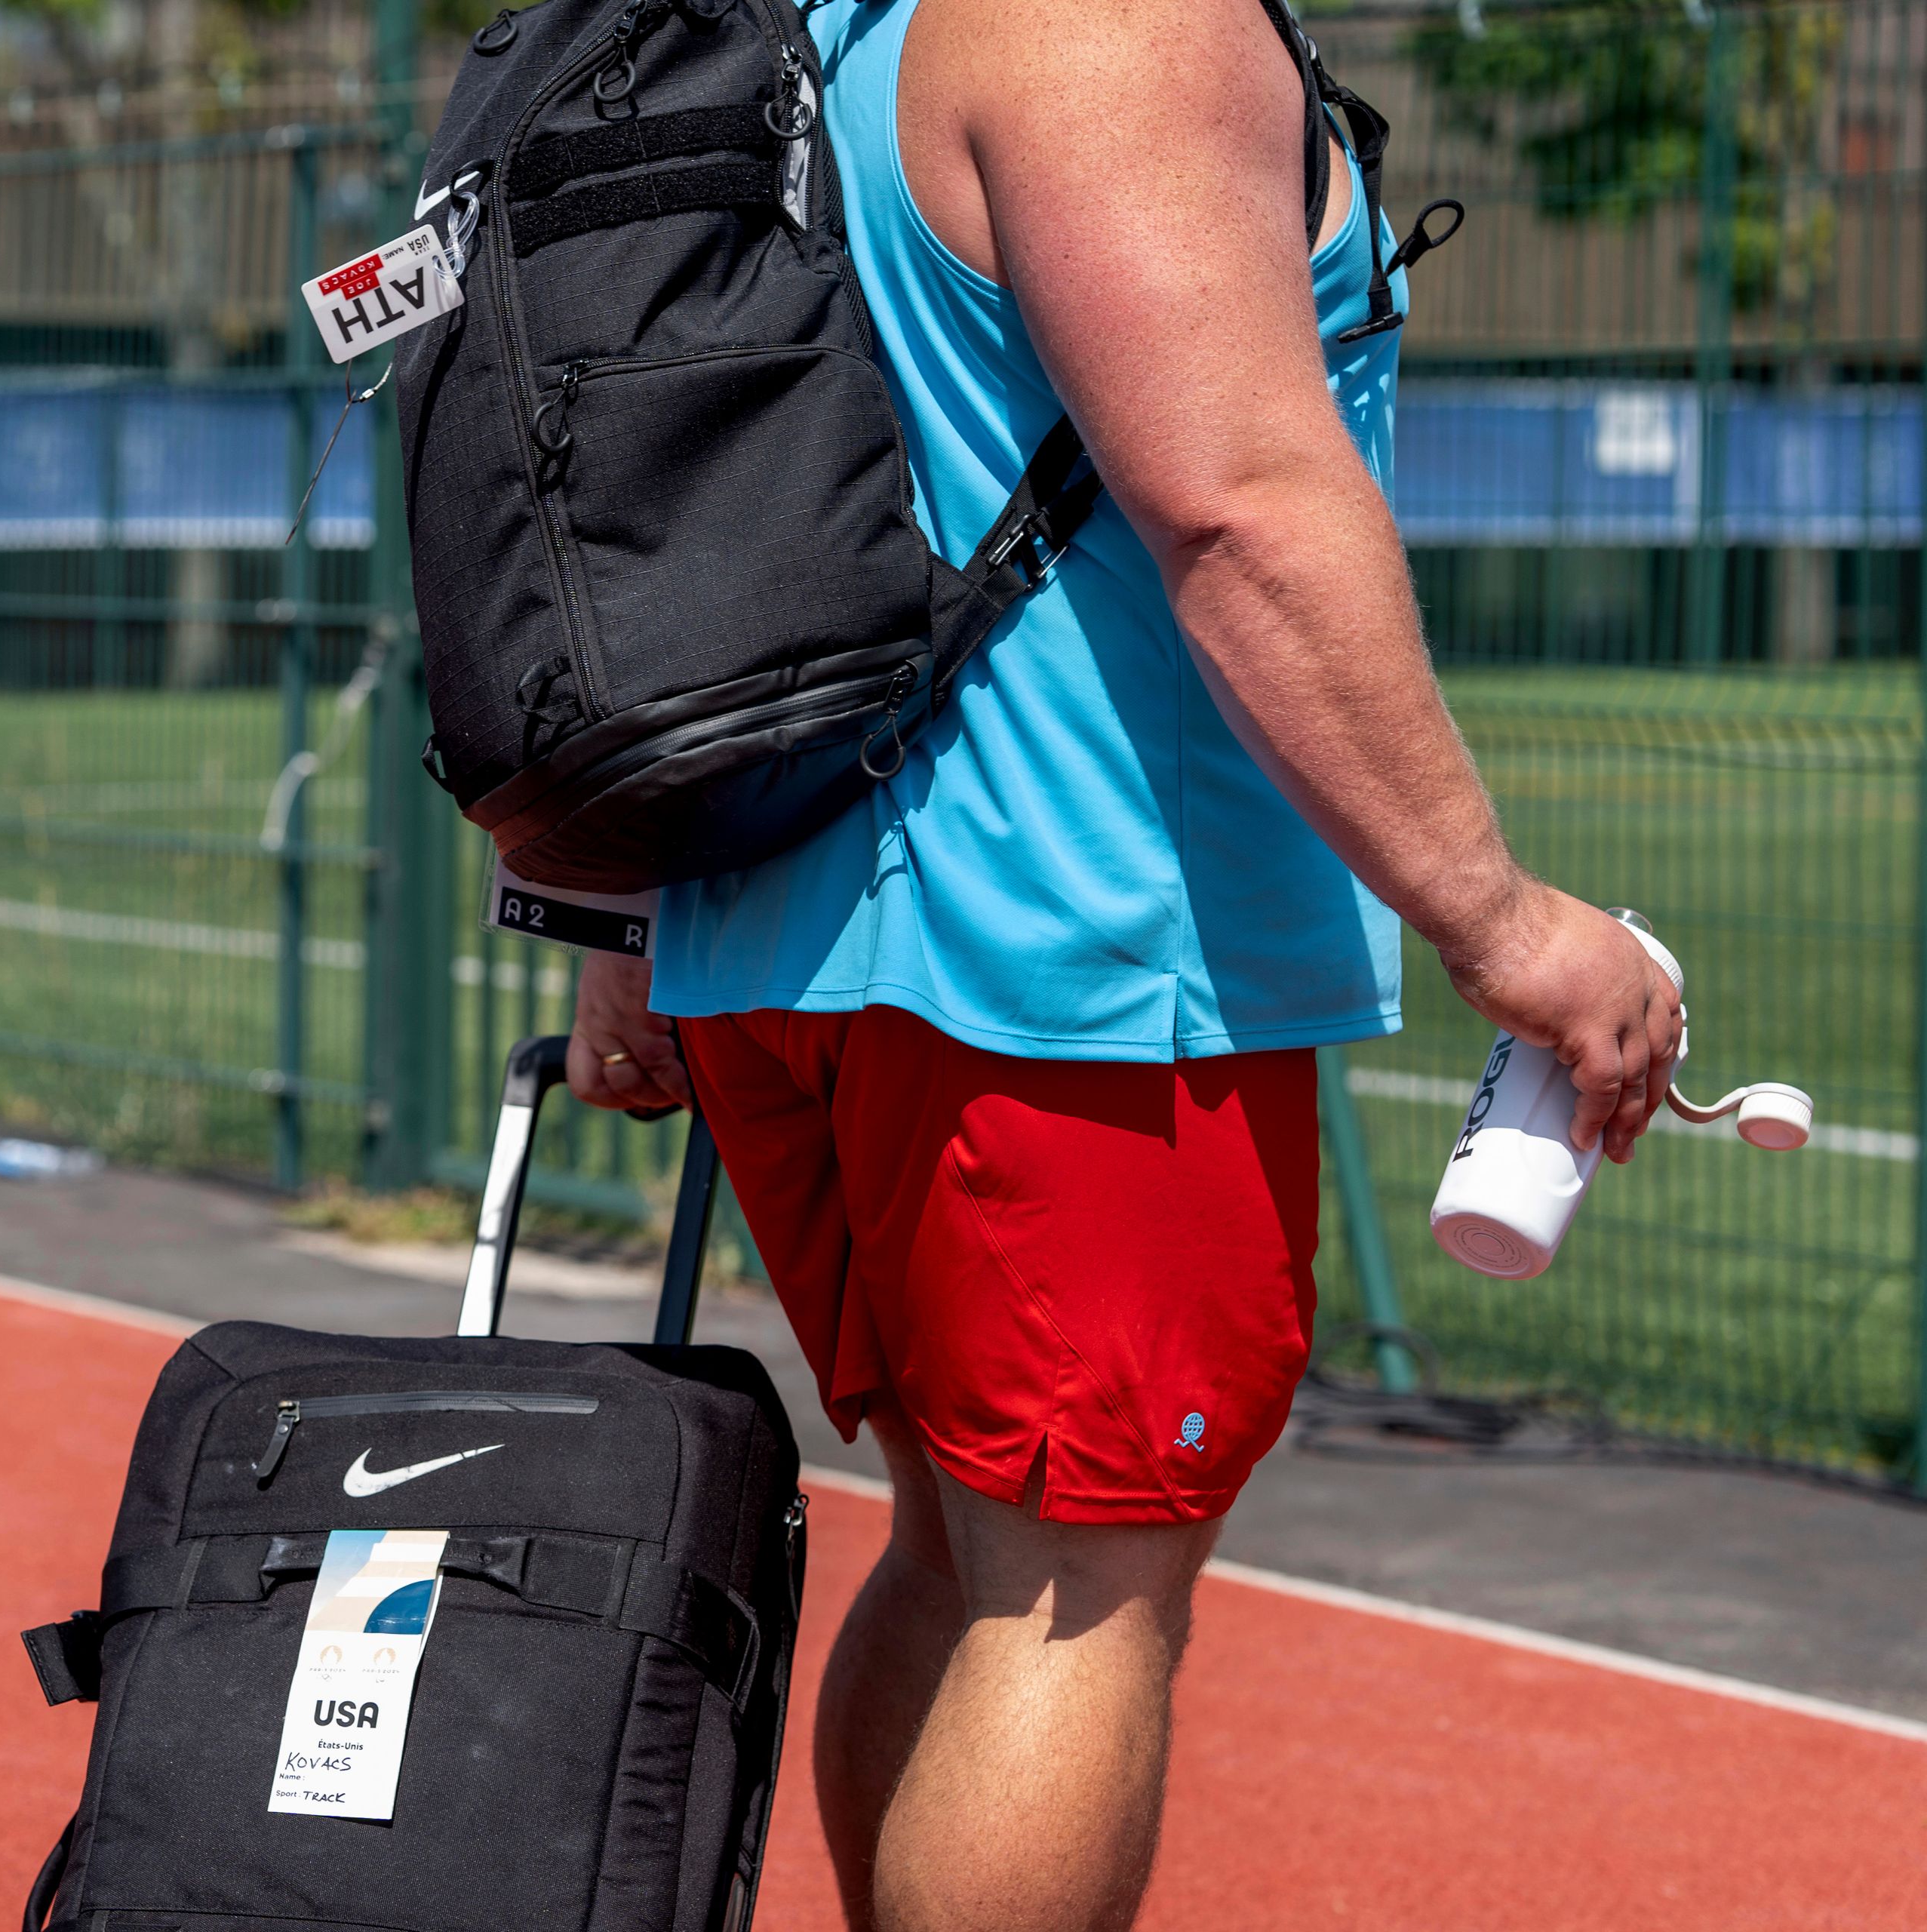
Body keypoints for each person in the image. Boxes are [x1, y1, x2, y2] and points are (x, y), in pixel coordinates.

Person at [562, 2, 1683, 1928]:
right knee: (1073, 1597)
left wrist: (620, 916)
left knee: (958, 1552)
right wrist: (1496, 917)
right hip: (1070, 951)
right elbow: (1237, 503)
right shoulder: (1117, 23)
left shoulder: (822, 23)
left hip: (789, 911)